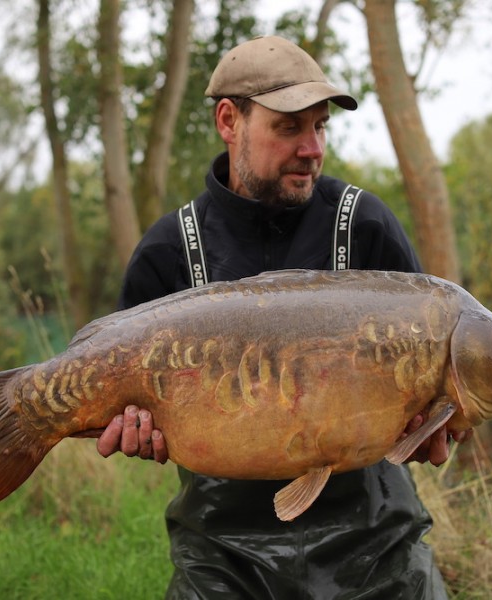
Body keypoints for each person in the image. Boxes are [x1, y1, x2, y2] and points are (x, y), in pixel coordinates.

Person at [96, 35, 468, 599]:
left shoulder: (364, 225)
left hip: (375, 549)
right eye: (289, 127)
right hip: (223, 552)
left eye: (320, 127)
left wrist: (436, 428)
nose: (313, 147)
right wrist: (128, 428)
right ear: (229, 120)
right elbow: (119, 403)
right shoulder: (171, 249)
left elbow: (433, 407)